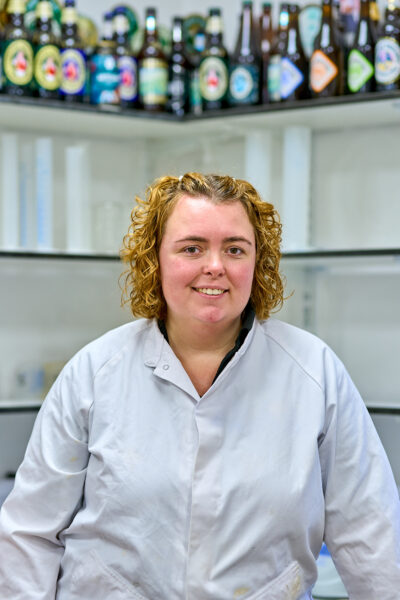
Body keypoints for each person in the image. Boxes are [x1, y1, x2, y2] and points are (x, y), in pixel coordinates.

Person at [0, 172, 399, 599]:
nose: (215, 265)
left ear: (257, 261)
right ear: (155, 258)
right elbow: (31, 534)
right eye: (192, 248)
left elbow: (369, 533)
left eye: (235, 249)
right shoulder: (95, 373)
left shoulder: (314, 372)